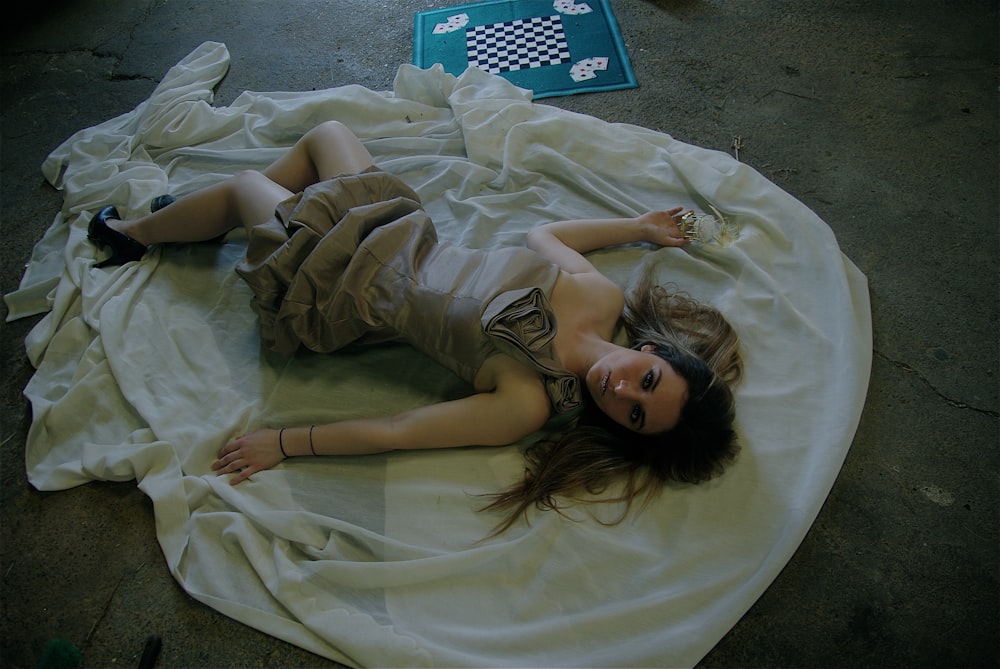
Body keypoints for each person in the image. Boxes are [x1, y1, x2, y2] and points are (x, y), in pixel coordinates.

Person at [87, 120, 742, 532]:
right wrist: (638, 228)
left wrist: (286, 442)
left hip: (345, 283)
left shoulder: (527, 399)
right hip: (402, 229)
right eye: (646, 379)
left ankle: (134, 234)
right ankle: (232, 216)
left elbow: (396, 430)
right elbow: (544, 232)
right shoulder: (598, 295)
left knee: (241, 185)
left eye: (632, 415)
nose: (620, 391)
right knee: (327, 134)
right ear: (652, 349)